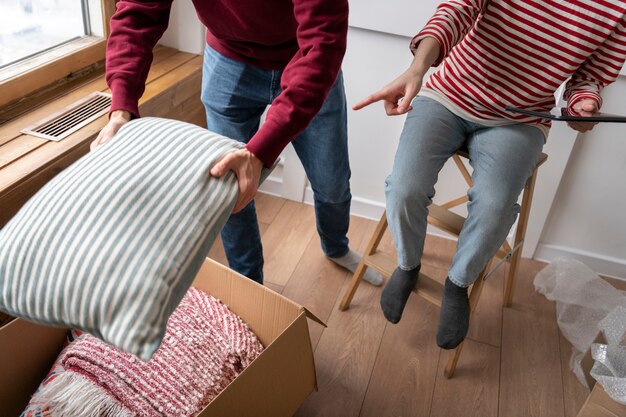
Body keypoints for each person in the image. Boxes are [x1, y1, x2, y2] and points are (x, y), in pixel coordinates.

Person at [354, 0, 626, 349]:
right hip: (449, 95)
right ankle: (407, 266)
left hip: (520, 118)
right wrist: (418, 67)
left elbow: (589, 77)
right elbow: (457, 9)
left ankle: (458, 282)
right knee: (405, 187)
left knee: (496, 206)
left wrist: (582, 107)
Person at [91, 0, 383, 287]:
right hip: (227, 61)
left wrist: (259, 152)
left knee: (331, 181)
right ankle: (249, 285)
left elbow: (323, 43)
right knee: (227, 189)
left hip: (305, 59)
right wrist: (122, 108)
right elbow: (137, 13)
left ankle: (336, 247)